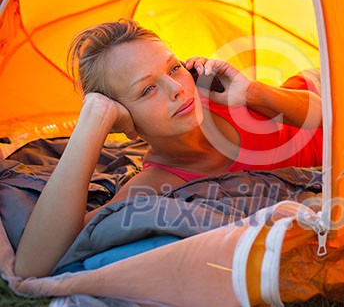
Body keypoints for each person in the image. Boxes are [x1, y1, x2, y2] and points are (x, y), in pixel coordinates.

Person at [14, 18, 322, 278]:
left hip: (322, 84)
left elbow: (331, 114)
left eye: (173, 68)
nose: (177, 90)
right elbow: (33, 265)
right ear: (123, 119)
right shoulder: (155, 184)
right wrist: (93, 120)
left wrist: (253, 92)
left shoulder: (220, 95)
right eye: (148, 89)